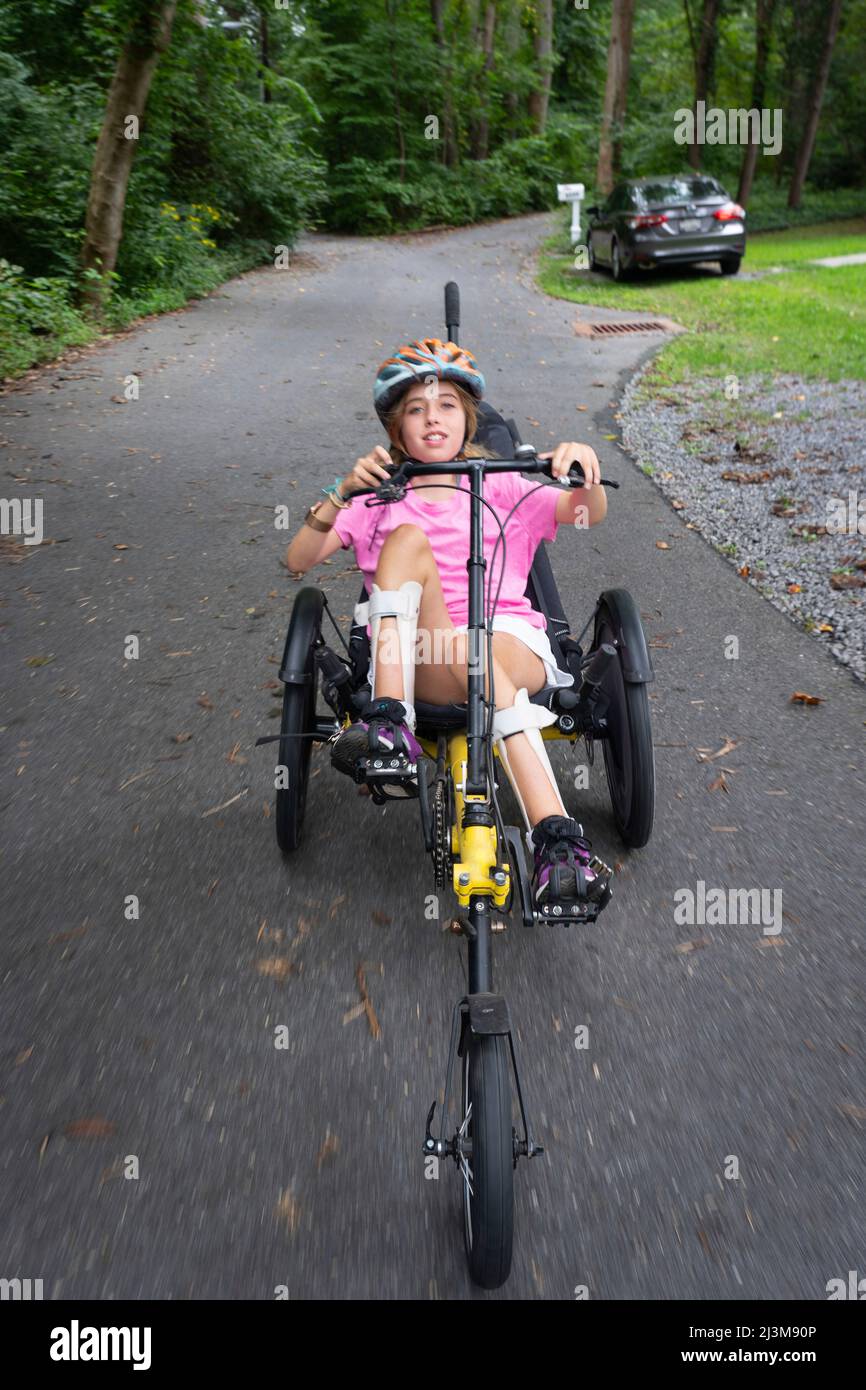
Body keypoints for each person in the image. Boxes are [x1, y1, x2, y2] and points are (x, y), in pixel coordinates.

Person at [284, 338, 612, 912]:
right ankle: (395, 730)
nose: (432, 418)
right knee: (409, 546)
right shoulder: (375, 500)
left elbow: (587, 513)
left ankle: (554, 840)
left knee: (482, 651)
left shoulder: (509, 482)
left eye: (446, 406)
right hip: (424, 660)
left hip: (511, 643)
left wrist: (584, 470)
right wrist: (340, 493)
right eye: (416, 408)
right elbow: (297, 559)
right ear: (396, 427)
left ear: (468, 419)